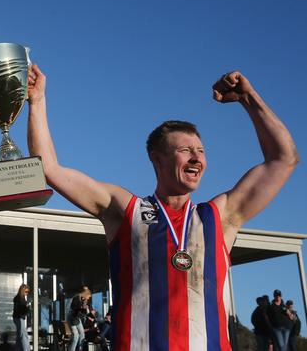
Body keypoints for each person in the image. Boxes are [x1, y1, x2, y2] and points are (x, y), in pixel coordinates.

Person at [26, 61, 298, 350]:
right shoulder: (126, 211)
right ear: (157, 159)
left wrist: (248, 98)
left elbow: (283, 159)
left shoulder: (219, 216)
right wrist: (38, 100)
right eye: (185, 150)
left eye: (201, 151)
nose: (197, 158)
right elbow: (50, 169)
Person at [67, 286, 90, 351]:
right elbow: (75, 308)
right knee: (76, 336)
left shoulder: (84, 299)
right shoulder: (77, 297)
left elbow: (84, 311)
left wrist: (85, 309)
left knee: (82, 333)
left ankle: (80, 349)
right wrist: (82, 308)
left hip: (77, 318)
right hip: (72, 317)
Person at [12, 284, 31, 351]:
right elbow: (19, 309)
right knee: (23, 334)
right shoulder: (19, 299)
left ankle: (18, 349)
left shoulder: (21, 298)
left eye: (28, 292)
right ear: (22, 291)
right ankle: (26, 349)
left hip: (18, 317)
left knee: (19, 335)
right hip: (19, 318)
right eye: (26, 292)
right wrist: (27, 307)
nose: (27, 293)